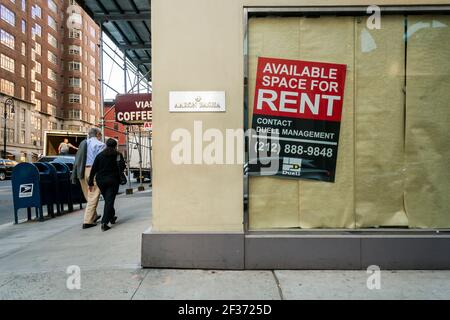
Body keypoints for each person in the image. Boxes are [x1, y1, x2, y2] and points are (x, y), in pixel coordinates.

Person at [88, 138, 125, 231]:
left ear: (106, 145)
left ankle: (111, 217)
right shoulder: (118, 155)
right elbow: (122, 166)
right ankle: (104, 222)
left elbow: (94, 169)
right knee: (109, 201)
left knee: (108, 199)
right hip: (113, 180)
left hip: (101, 181)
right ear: (115, 146)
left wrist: (90, 182)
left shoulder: (100, 155)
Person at [71, 128, 105, 229]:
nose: (101, 136)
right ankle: (88, 221)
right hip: (93, 171)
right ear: (98, 134)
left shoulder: (83, 144)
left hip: (82, 171)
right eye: (100, 135)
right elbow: (101, 161)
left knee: (88, 195)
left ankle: (94, 215)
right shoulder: (100, 145)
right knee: (93, 196)